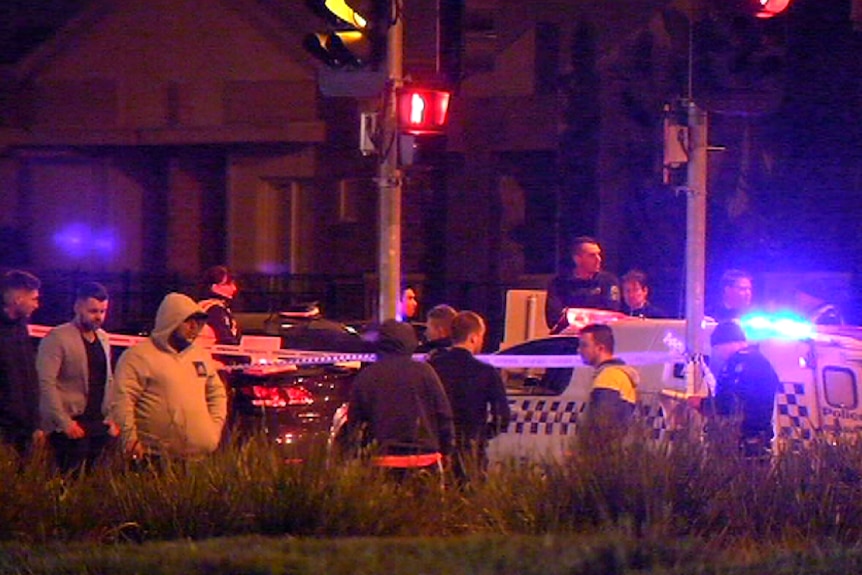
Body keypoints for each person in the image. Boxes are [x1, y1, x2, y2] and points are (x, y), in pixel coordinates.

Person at [112, 292, 227, 460]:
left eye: (198, 322)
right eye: (188, 321)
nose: (194, 328)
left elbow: (216, 394)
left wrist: (213, 432)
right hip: (154, 458)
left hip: (198, 458)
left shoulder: (200, 356)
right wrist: (130, 440)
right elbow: (123, 399)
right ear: (171, 321)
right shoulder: (139, 356)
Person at [346, 319, 453, 476]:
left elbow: (355, 424)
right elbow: (443, 414)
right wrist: (447, 450)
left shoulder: (366, 377)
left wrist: (356, 455)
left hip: (382, 461)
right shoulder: (426, 372)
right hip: (425, 460)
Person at [37, 282, 118, 472]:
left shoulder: (104, 339)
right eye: (93, 311)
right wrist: (63, 422)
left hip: (98, 424)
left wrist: (112, 418)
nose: (98, 316)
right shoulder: (57, 337)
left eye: (103, 311)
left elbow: (108, 379)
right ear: (77, 307)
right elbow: (46, 383)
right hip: (71, 425)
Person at [428, 311, 510, 480]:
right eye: (481, 337)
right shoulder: (486, 372)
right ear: (473, 337)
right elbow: (502, 417)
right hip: (471, 450)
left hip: (437, 449)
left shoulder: (432, 367)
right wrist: (482, 434)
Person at [706, 321, 780, 457]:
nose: (718, 354)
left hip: (745, 442)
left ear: (727, 344)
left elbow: (732, 402)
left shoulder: (740, 363)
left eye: (717, 348)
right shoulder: (758, 360)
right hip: (757, 440)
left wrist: (703, 404)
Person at [0, 270, 44, 456]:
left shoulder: (20, 327)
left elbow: (28, 376)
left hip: (23, 428)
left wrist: (35, 423)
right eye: (33, 299)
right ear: (18, 299)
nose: (37, 304)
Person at [545, 236, 621, 332]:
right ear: (577, 259)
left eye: (599, 255)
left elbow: (611, 315)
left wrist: (573, 314)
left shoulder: (608, 281)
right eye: (592, 255)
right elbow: (553, 319)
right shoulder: (558, 283)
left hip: (598, 338)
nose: (599, 259)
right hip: (568, 337)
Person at [577, 323, 639, 428]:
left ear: (600, 348)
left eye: (584, 345)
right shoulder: (618, 375)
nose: (579, 350)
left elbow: (602, 422)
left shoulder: (608, 378)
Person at [197, 265, 241, 346]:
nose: (234, 288)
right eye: (229, 284)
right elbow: (226, 340)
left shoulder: (206, 306)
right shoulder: (214, 309)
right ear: (214, 287)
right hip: (214, 356)